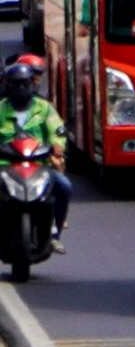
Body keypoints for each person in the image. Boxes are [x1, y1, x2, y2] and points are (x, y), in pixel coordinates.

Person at [0, 62, 68, 251]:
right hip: (5, 164)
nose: (21, 88)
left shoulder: (44, 108)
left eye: (25, 84)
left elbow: (57, 130)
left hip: (39, 164)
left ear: (32, 84)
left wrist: (57, 146)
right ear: (8, 86)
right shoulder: (1, 109)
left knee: (64, 187)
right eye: (16, 84)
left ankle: (54, 233)